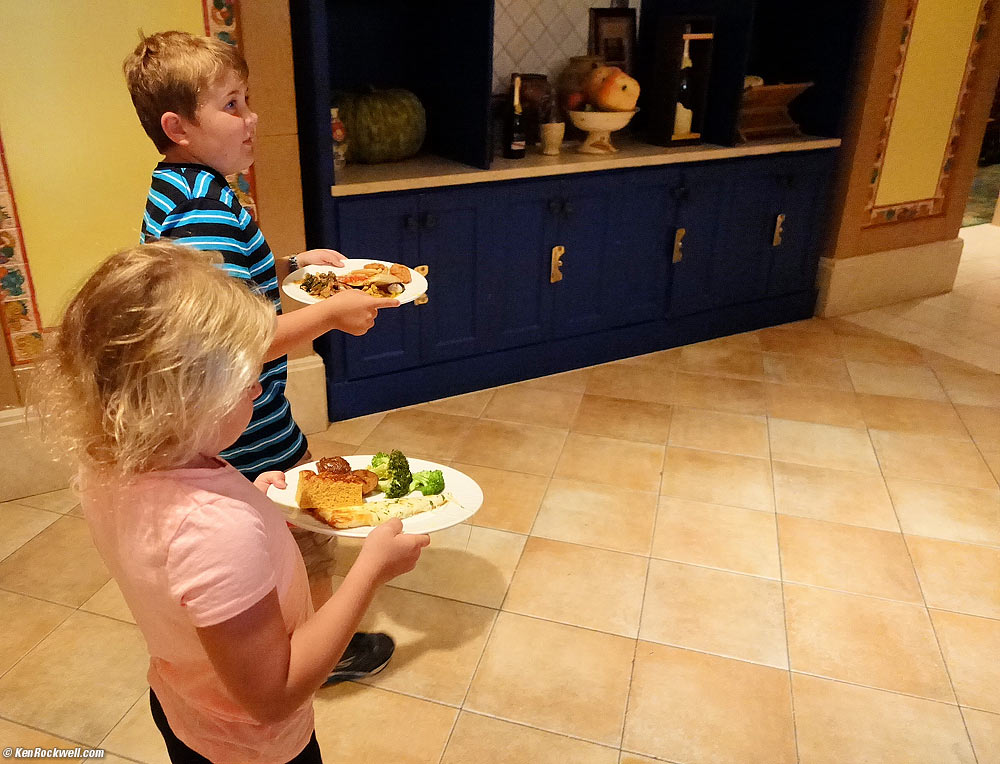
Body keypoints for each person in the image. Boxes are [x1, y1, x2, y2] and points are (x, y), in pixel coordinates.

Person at [32, 243, 430, 764]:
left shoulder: (110, 467)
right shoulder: (213, 528)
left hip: (184, 708)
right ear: (186, 401)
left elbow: (179, 561)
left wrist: (254, 502)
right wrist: (371, 570)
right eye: (245, 380)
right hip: (252, 749)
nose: (259, 388)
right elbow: (273, 695)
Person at [122, 30, 396, 679]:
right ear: (178, 127)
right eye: (231, 105)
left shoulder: (186, 189)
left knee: (294, 518)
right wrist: (330, 313)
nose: (252, 118)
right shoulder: (205, 212)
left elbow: (223, 286)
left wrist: (291, 265)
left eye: (246, 100)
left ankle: (290, 629)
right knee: (307, 527)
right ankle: (321, 650)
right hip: (243, 421)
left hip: (231, 412)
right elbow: (227, 339)